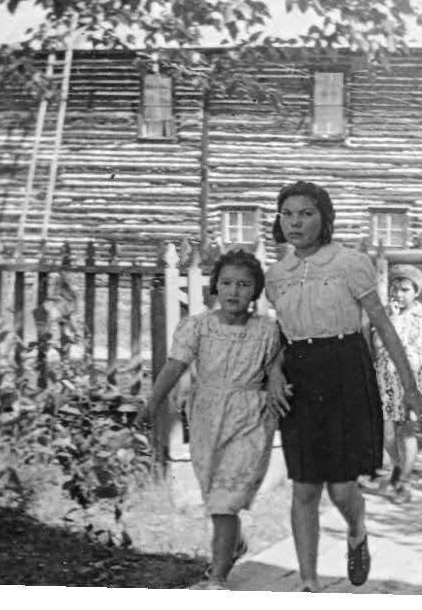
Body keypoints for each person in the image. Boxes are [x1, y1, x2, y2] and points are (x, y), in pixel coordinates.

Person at [265, 181, 422, 592]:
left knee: (341, 488)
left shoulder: (349, 262)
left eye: (306, 213)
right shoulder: (276, 276)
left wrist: (411, 390)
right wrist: (272, 373)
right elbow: (282, 335)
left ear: (325, 218)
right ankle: (307, 584)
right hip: (299, 379)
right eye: (288, 213)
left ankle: (357, 531)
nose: (296, 221)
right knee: (304, 485)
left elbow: (384, 328)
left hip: (345, 372)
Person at [140, 250, 287, 590]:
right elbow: (174, 365)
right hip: (206, 416)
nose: (234, 291)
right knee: (216, 495)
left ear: (256, 291)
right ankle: (234, 544)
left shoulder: (267, 330)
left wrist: (277, 374)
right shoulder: (198, 326)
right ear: (215, 287)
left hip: (250, 417)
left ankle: (217, 578)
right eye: (227, 283)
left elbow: (278, 364)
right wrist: (153, 402)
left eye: (243, 284)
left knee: (225, 501)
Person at [369, 263, 422, 503]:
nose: (398, 294)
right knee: (388, 434)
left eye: (404, 290)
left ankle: (403, 482)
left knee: (408, 432)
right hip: (386, 378)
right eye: (395, 289)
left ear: (416, 292)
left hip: (414, 379)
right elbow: (377, 347)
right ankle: (400, 468)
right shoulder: (384, 314)